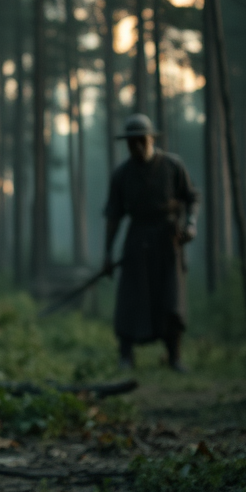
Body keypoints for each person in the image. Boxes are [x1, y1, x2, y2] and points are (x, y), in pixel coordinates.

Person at [102, 113, 199, 373]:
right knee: (130, 298)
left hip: (168, 240)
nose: (136, 146)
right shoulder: (122, 175)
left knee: (171, 297)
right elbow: (113, 215)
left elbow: (191, 198)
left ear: (150, 139)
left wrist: (190, 225)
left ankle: (174, 356)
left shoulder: (172, 166)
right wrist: (108, 253)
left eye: (140, 140)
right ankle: (125, 356)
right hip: (136, 240)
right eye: (131, 142)